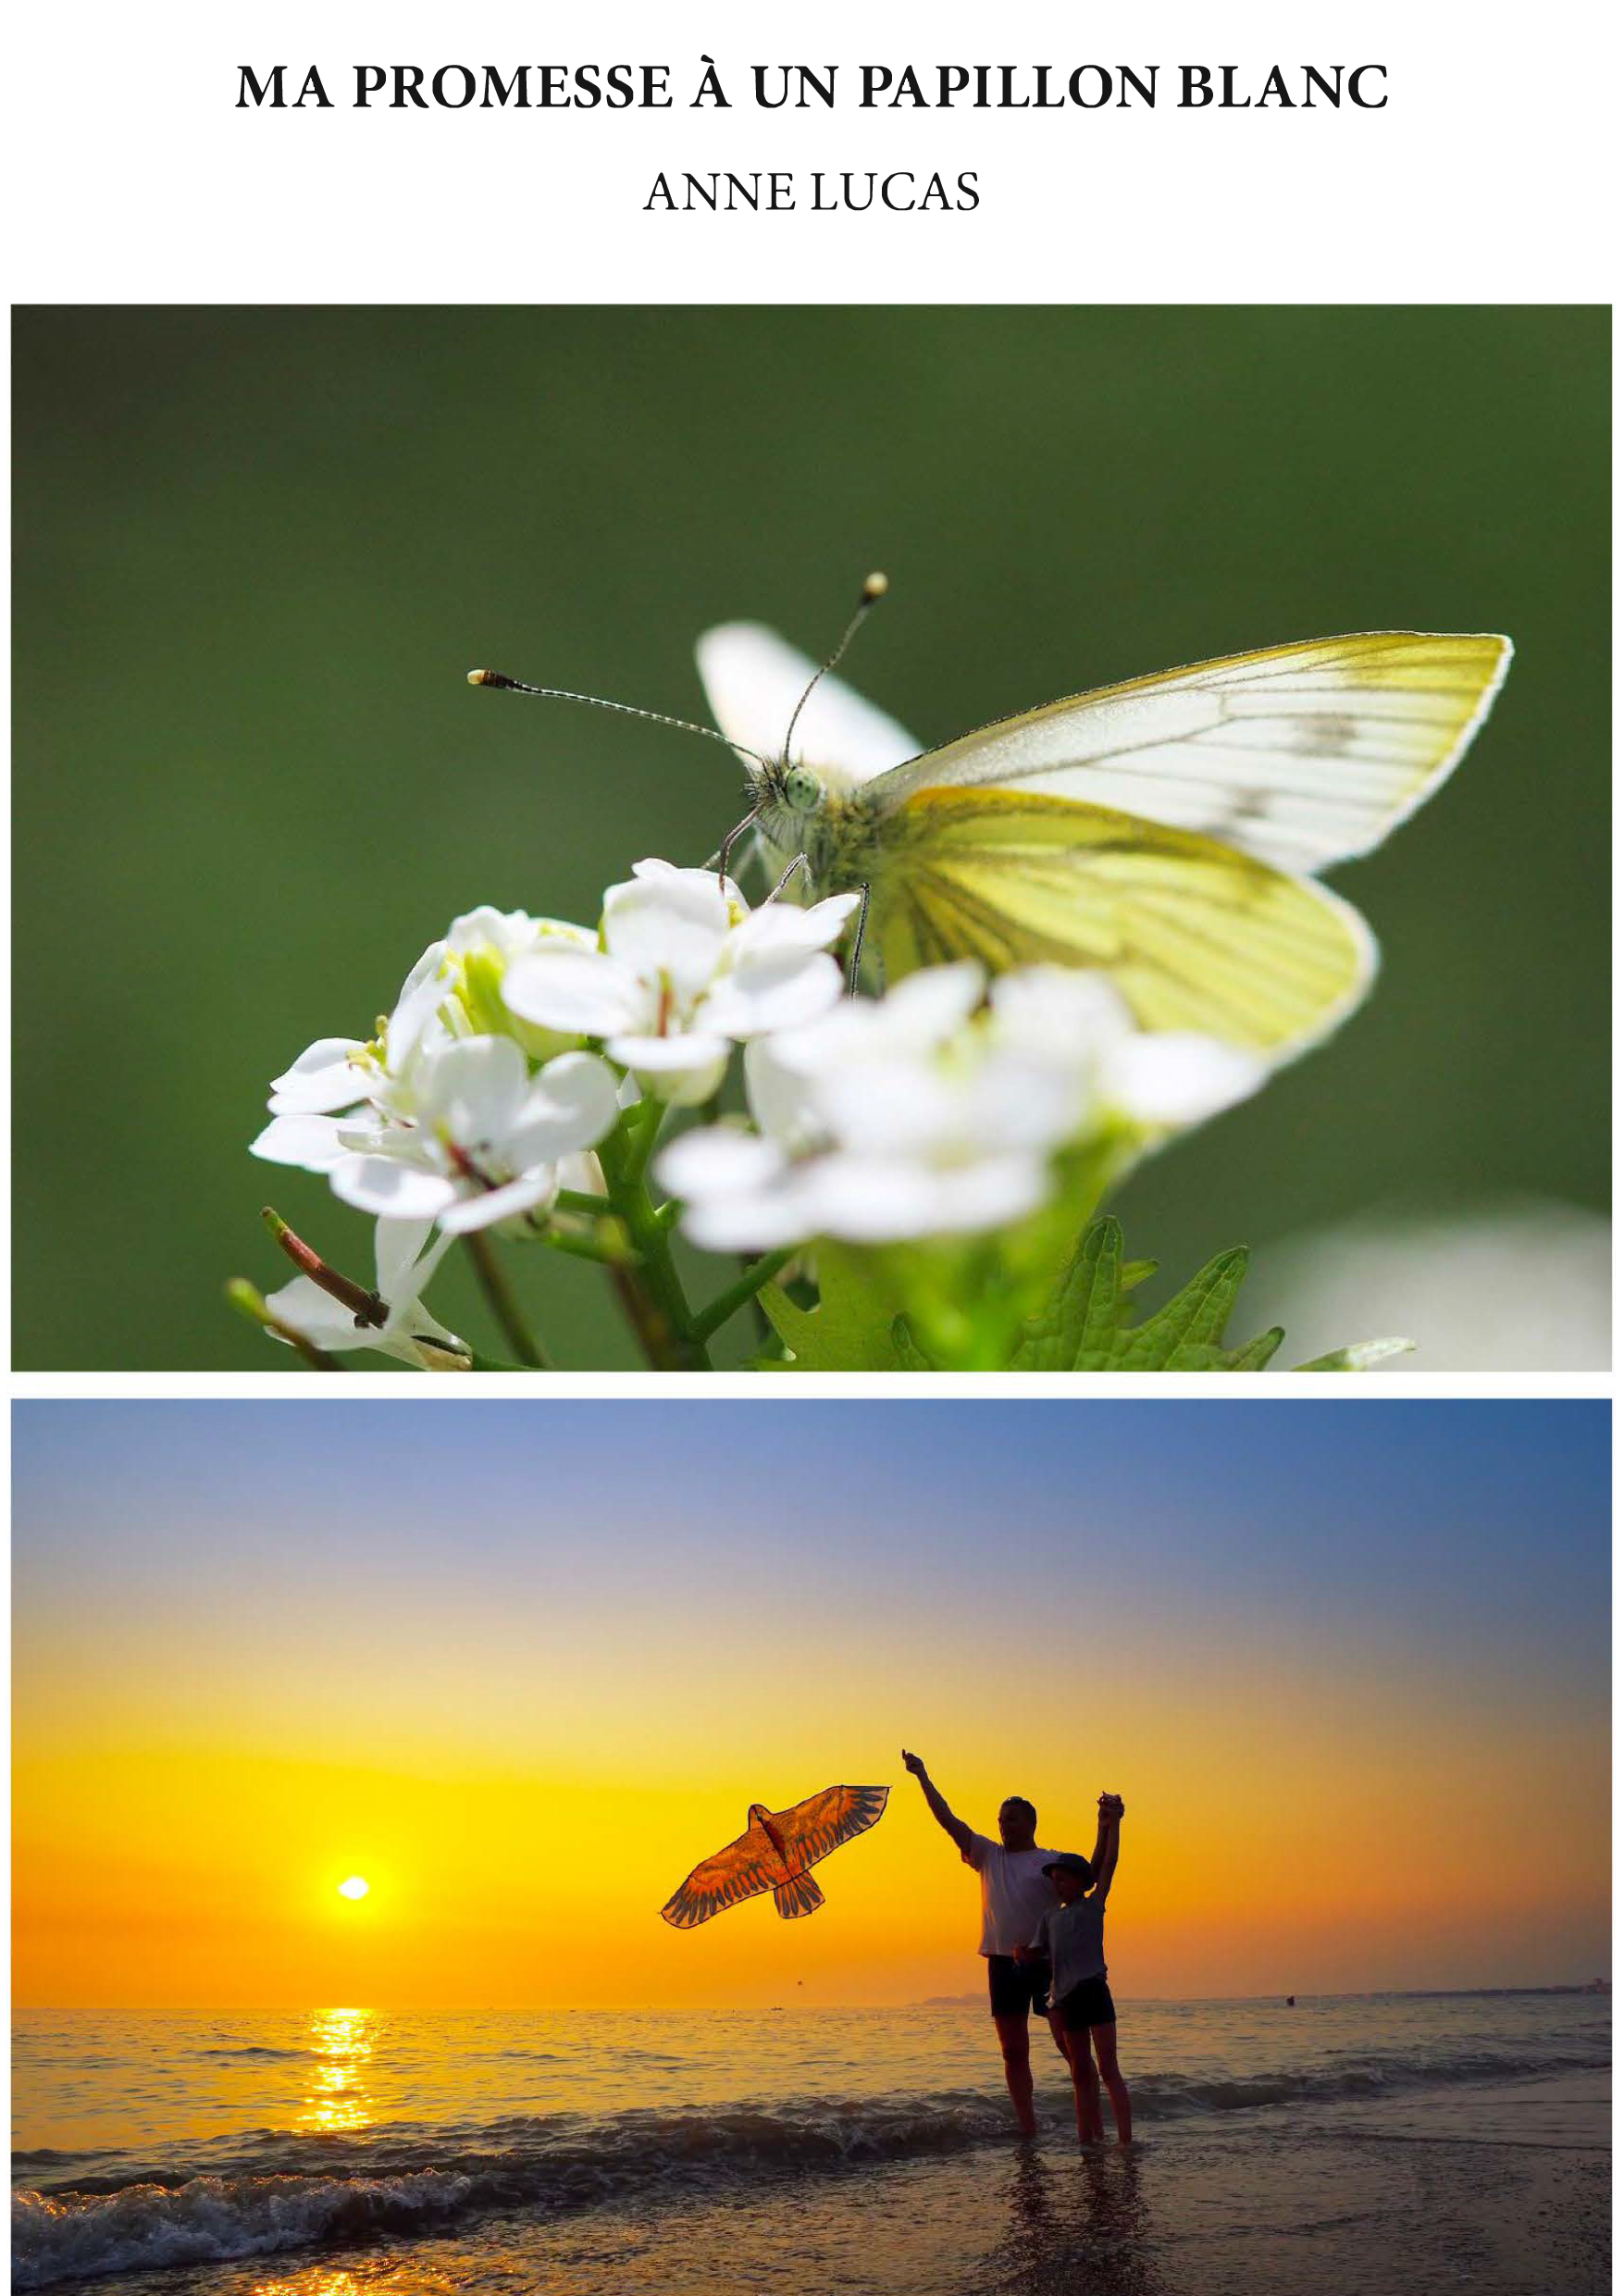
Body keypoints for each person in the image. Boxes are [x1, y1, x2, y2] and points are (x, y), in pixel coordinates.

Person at [900, 1750, 1113, 2137]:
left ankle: (1091, 2119)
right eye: (1000, 1820)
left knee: (1070, 2047)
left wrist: (1105, 1824)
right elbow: (948, 1819)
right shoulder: (986, 1854)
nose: (1003, 1826)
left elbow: (1093, 1873)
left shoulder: (1049, 1861)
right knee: (1013, 2052)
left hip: (1049, 1963)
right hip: (1002, 1962)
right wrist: (922, 1776)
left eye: (1011, 1819)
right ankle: (1028, 2130)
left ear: (1030, 1822)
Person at [1034, 1797, 1131, 2146]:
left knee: (1108, 2067)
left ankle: (1125, 2140)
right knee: (1079, 2071)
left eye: (1064, 1879)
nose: (1058, 1885)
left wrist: (1111, 1823)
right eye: (1055, 1880)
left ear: (1080, 1882)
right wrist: (1022, 1956)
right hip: (1066, 1999)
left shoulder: (1093, 1906)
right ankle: (1086, 2140)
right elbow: (1037, 1954)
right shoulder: (1049, 1918)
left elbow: (1109, 1863)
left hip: (1094, 1991)